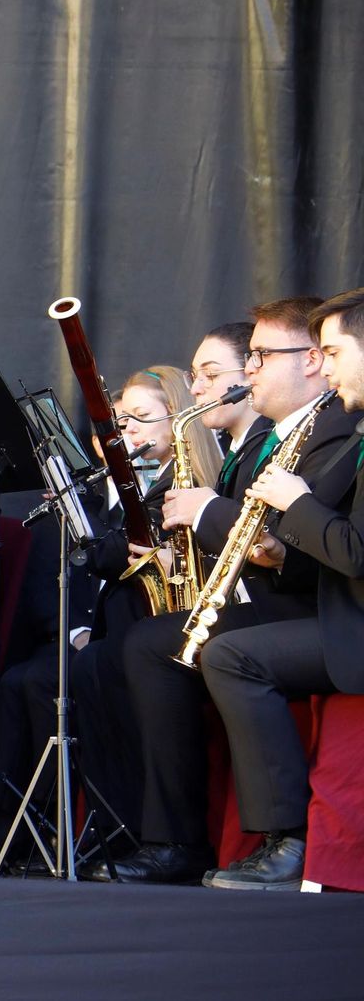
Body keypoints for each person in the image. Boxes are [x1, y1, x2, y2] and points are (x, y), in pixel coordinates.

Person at [86, 297, 364, 883]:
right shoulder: (292, 432)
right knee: (141, 647)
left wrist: (247, 524)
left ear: (313, 360)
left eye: (261, 356)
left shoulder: (339, 428)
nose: (252, 370)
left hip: (315, 608)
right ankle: (172, 837)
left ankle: (278, 839)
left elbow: (331, 544)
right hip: (288, 592)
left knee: (202, 652)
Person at [198, 288, 364, 890]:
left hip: (353, 623)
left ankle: (289, 841)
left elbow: (353, 551)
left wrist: (294, 502)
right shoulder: (354, 431)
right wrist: (279, 544)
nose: (330, 366)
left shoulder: (347, 432)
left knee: (233, 656)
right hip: (343, 611)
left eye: (336, 352)